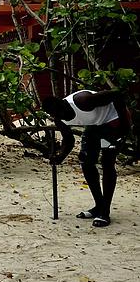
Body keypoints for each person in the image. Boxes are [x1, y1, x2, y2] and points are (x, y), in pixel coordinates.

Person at [42, 89, 132, 227]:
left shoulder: (83, 101)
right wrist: (59, 157)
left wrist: (125, 126)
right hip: (95, 125)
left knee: (107, 162)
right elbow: (69, 141)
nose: (60, 116)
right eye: (55, 115)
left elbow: (117, 94)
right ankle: (99, 206)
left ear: (63, 104)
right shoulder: (59, 118)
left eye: (60, 112)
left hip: (115, 120)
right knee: (86, 161)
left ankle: (105, 212)